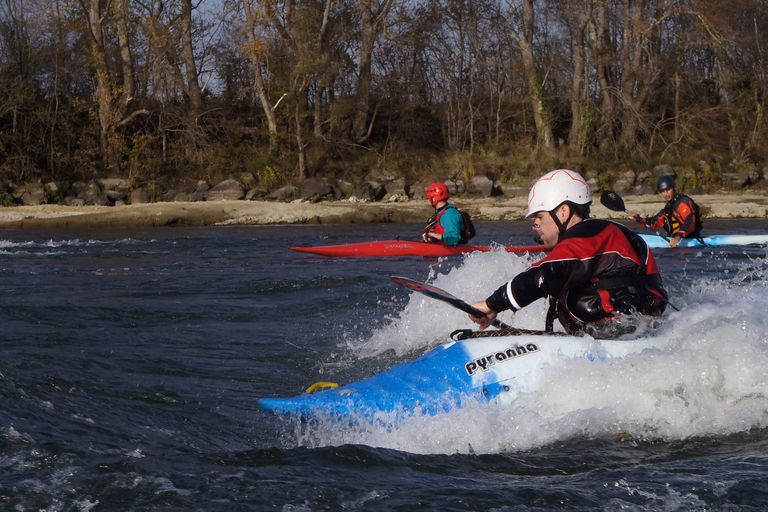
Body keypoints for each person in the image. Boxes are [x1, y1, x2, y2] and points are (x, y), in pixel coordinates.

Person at [468, 169, 668, 339]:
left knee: (569, 292)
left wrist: (492, 304)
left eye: (539, 216)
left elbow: (545, 275)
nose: (534, 225)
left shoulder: (590, 233)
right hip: (630, 335)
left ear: (563, 212)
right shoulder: (594, 236)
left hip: (627, 336)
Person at [627, 174, 703, 247]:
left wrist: (678, 237)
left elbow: (689, 222)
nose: (666, 194)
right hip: (674, 240)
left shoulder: (683, 203)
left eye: (668, 190)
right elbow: (655, 222)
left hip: (690, 240)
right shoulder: (668, 207)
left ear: (673, 188)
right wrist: (638, 218)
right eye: (663, 191)